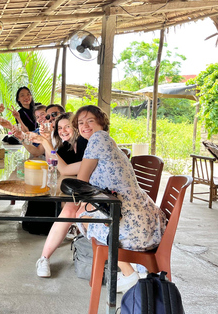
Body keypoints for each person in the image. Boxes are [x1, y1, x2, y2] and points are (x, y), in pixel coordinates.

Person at [30, 105, 166, 293]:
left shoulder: (97, 139)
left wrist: (80, 203)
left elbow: (81, 181)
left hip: (135, 225)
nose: (84, 126)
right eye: (81, 123)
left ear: (101, 122)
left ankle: (129, 272)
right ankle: (131, 271)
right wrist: (47, 143)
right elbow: (67, 170)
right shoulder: (102, 140)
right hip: (145, 221)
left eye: (90, 121)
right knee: (78, 211)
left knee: (82, 216)